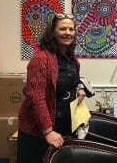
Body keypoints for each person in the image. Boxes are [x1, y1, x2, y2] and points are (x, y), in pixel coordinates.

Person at [17, 13, 89, 163]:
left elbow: (72, 84)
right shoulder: (41, 59)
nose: (68, 33)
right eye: (63, 29)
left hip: (63, 128)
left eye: (71, 29)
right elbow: (36, 96)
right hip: (39, 132)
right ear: (53, 32)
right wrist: (48, 131)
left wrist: (79, 90)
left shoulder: (72, 60)